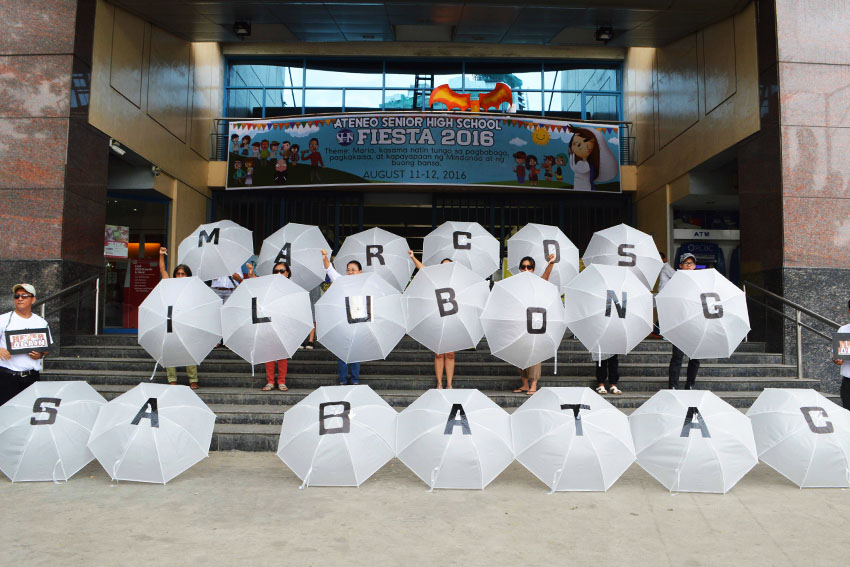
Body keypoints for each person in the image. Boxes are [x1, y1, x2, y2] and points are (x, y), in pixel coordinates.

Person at [409, 250, 455, 389]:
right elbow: (424, 270)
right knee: (439, 353)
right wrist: (413, 257)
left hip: (452, 319)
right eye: (443, 266)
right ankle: (440, 383)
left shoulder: (457, 279)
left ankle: (449, 384)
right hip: (437, 318)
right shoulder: (435, 279)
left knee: (451, 354)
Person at [0, 284, 52, 406]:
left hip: (31, 377)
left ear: (33, 300)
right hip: (7, 376)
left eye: (24, 296)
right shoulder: (3, 320)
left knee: (29, 413)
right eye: (16, 296)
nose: (20, 299)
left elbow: (47, 348)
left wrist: (40, 354)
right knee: (5, 414)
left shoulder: (41, 322)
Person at [513, 254, 556, 395]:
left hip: (535, 322)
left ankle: (534, 384)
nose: (526, 269)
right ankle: (525, 384)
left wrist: (551, 263)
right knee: (520, 353)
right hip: (520, 322)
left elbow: (546, 277)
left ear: (533, 269)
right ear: (520, 269)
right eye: (523, 267)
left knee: (535, 353)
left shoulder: (538, 282)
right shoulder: (516, 285)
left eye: (529, 267)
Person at [158, 247, 200, 389]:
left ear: (188, 275)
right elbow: (163, 271)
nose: (180, 276)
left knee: (189, 349)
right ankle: (172, 379)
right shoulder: (170, 284)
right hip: (171, 320)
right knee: (170, 348)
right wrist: (161, 255)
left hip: (187, 321)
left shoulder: (192, 287)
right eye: (178, 273)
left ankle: (193, 379)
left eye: (183, 274)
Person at [247, 261, 291, 391]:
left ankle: (281, 381)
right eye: (276, 271)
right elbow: (256, 283)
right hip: (269, 322)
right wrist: (251, 273)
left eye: (281, 271)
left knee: (282, 355)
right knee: (269, 354)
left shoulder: (291, 288)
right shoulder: (269, 286)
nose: (278, 273)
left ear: (287, 273)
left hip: (284, 323)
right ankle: (270, 381)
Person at [322, 249, 362, 385]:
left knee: (356, 351)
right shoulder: (342, 281)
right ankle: (343, 379)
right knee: (342, 352)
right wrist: (325, 257)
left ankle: (355, 378)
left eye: (353, 270)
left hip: (359, 321)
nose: (350, 272)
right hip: (343, 321)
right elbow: (330, 270)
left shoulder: (366, 284)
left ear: (360, 272)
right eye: (348, 270)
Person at [668, 252, 700, 389]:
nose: (689, 266)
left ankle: (690, 385)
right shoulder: (675, 282)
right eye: (686, 263)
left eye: (691, 263)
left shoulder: (699, 282)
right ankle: (673, 385)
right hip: (680, 323)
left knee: (695, 357)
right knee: (677, 357)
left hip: (696, 323)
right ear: (680, 265)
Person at [832, 299, 850, 408]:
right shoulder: (843, 330)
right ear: (849, 312)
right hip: (848, 383)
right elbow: (836, 355)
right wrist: (837, 359)